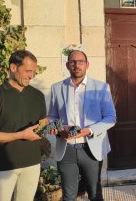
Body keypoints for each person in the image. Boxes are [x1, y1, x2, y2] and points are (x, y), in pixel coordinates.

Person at [0, 50, 46, 201]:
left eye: (33, 71)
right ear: (13, 68)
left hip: (32, 164)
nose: (31, 76)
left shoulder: (38, 96)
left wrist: (51, 128)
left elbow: (42, 124)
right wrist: (20, 135)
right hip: (1, 166)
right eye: (27, 71)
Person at [48, 50, 116, 201]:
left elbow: (110, 118)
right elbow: (52, 116)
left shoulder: (101, 87)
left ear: (87, 65)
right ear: (67, 65)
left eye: (80, 61)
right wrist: (60, 128)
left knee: (95, 194)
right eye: (72, 62)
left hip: (91, 148)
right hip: (66, 149)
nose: (76, 65)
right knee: (68, 196)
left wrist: (89, 131)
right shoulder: (57, 88)